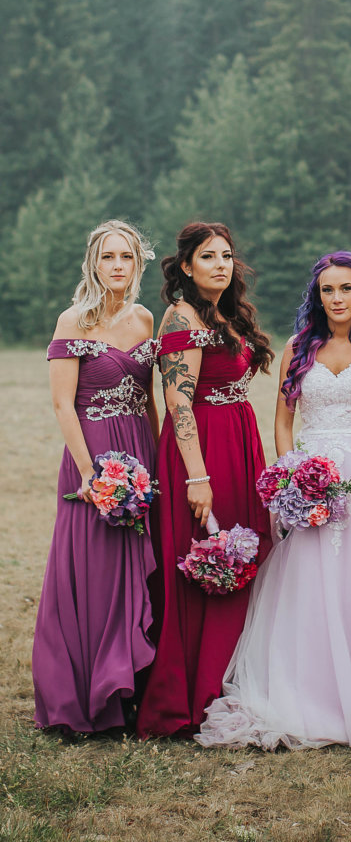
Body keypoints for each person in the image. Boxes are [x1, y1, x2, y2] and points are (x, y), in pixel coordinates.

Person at [196, 252, 351, 750]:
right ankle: (306, 694)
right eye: (328, 290)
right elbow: (283, 424)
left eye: (346, 289)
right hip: (312, 476)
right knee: (309, 580)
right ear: (317, 295)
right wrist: (293, 481)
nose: (337, 298)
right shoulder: (297, 347)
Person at [137, 222, 274, 738]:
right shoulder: (181, 315)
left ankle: (229, 678)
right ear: (187, 266)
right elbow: (179, 402)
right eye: (208, 256)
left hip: (239, 441)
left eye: (227, 256)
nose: (221, 264)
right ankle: (189, 693)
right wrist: (197, 475)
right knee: (202, 564)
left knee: (240, 557)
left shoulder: (225, 314)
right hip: (203, 454)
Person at [33, 220, 159, 733]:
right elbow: (63, 402)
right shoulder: (74, 320)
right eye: (108, 257)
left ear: (138, 264)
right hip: (93, 456)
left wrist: (158, 462)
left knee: (135, 571)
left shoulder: (146, 319)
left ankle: (130, 687)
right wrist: (90, 473)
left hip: (139, 450)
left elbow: (149, 400)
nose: (117, 266)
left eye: (126, 257)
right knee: (93, 571)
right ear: (93, 262)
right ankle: (87, 697)